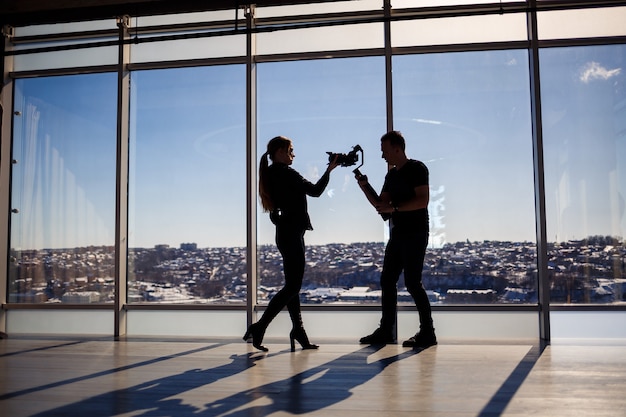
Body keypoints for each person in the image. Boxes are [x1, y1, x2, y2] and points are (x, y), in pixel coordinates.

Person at [244, 136, 339, 352]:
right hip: (292, 234)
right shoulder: (285, 172)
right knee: (293, 286)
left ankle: (298, 330)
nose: (293, 155)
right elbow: (315, 191)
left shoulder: (270, 173)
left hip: (285, 233)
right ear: (279, 151)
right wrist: (330, 170)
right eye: (290, 150)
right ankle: (260, 327)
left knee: (291, 285)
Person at [355, 130, 436, 348]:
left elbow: (422, 201)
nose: (383, 156)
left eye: (385, 151)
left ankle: (427, 332)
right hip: (399, 233)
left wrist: (395, 207)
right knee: (388, 280)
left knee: (412, 282)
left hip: (416, 232)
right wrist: (364, 186)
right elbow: (382, 207)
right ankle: (387, 330)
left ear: (397, 148)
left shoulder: (417, 169)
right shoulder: (391, 176)